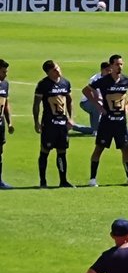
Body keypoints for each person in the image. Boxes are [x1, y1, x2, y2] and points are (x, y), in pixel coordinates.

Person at [84, 54, 128, 186]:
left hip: (120, 121)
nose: (119, 67)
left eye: (121, 64)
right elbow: (86, 90)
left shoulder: (126, 80)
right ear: (111, 66)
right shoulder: (104, 81)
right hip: (107, 121)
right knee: (99, 148)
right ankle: (92, 179)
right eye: (117, 64)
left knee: (126, 149)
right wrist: (98, 106)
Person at [33, 59, 74, 188]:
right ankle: (43, 181)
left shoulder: (65, 83)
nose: (58, 71)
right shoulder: (43, 85)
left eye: (58, 68)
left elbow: (69, 100)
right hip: (49, 124)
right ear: (48, 72)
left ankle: (63, 181)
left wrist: (71, 118)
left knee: (62, 152)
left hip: (62, 124)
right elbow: (36, 105)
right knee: (45, 151)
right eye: (54, 70)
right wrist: (36, 122)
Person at [0, 59, 12, 189]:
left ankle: (0, 181)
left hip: (0, 124)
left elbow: (6, 104)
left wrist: (9, 122)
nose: (5, 74)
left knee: (0, 152)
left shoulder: (5, 84)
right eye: (3, 72)